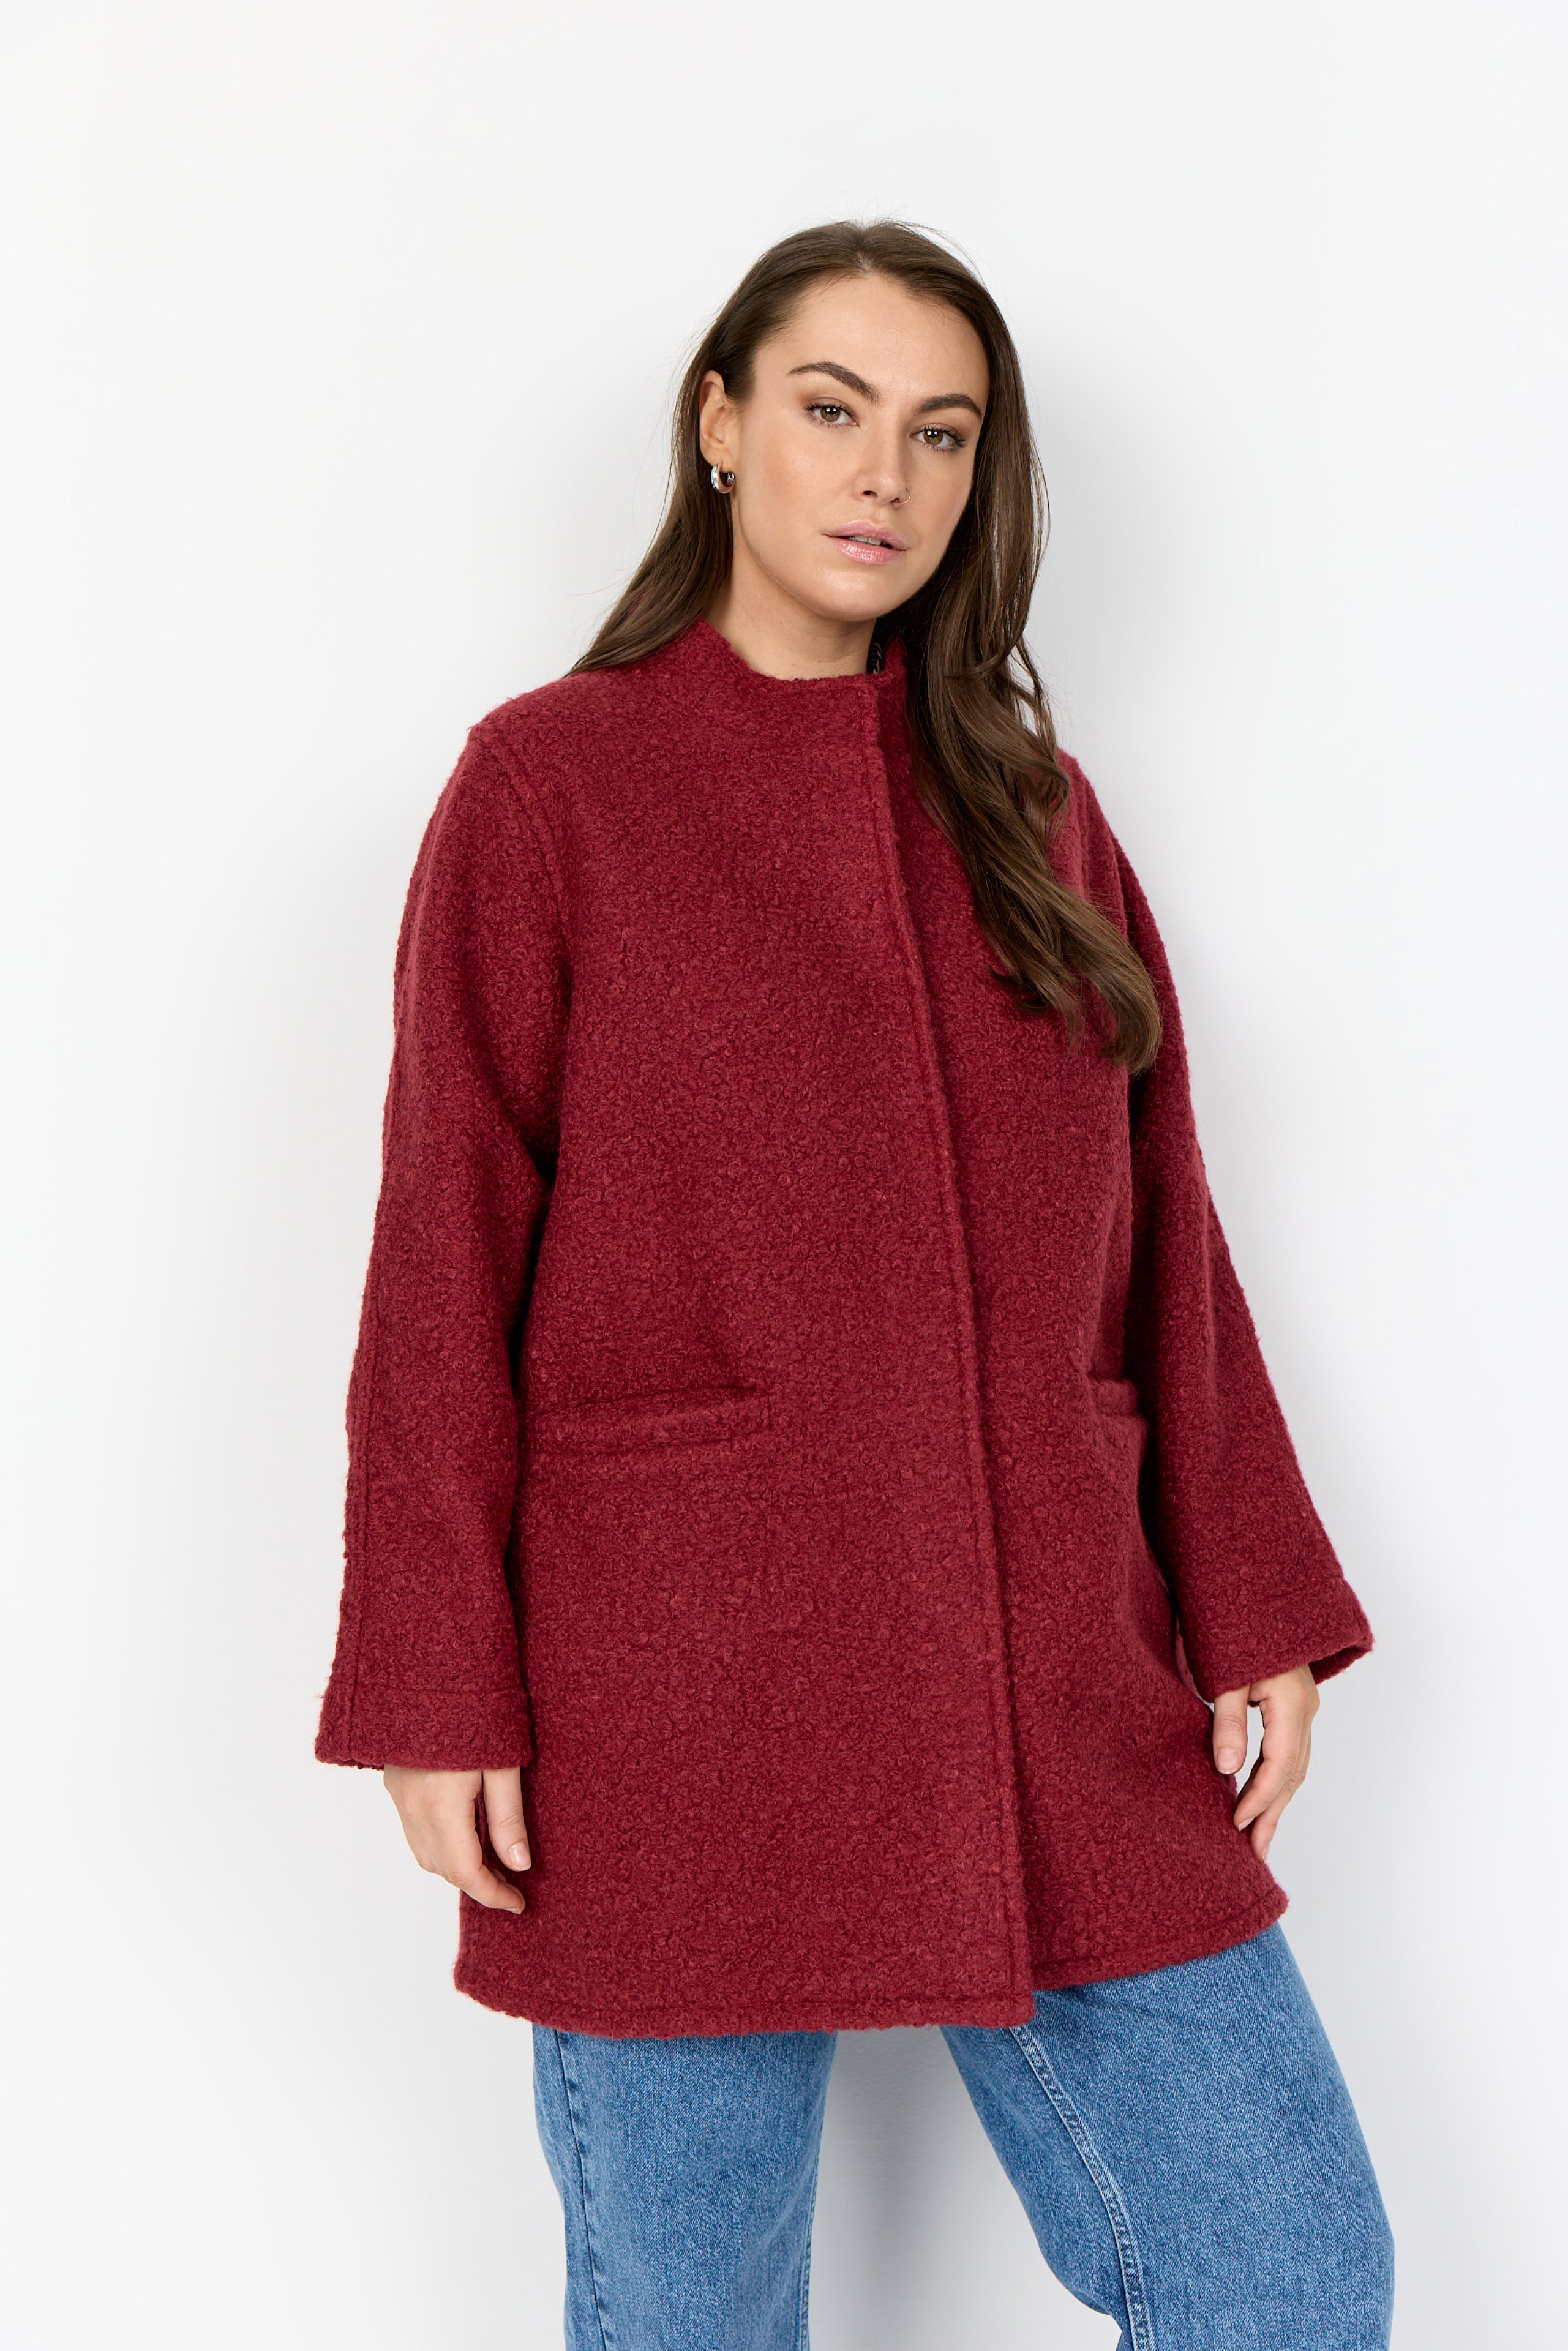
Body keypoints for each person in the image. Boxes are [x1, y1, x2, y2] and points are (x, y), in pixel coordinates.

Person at [314, 219, 1395, 2349]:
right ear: (720, 426)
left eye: (941, 432)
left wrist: (1247, 1590)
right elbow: (442, 1250)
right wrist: (436, 1680)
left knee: (1286, 2265)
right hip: (678, 1679)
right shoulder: (550, 785)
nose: (884, 474)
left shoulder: (1035, 809)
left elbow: (1163, 1221)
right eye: (831, 409)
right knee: (690, 2316)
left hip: (1051, 1654)